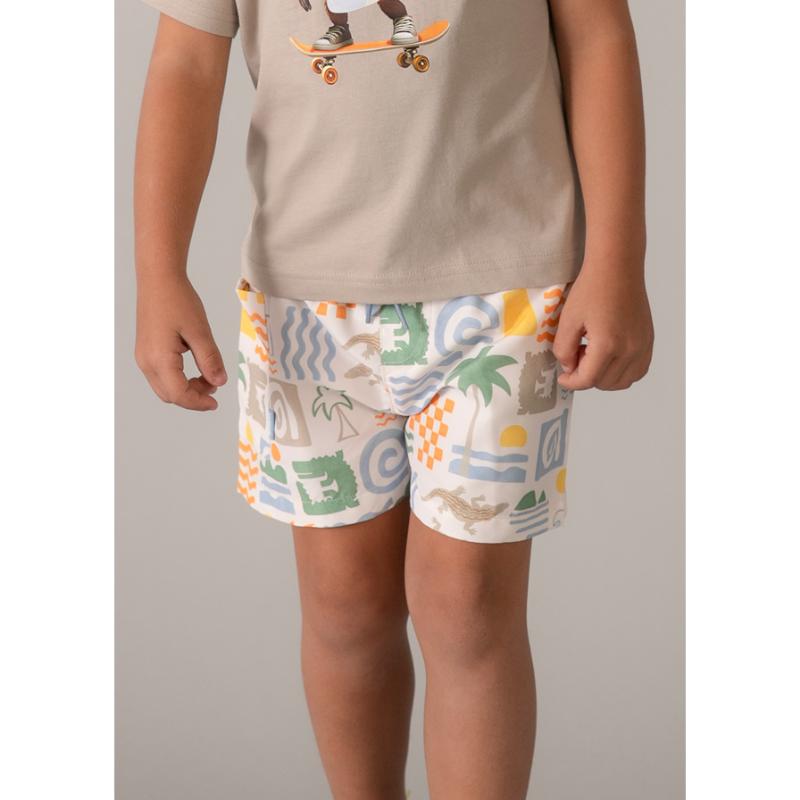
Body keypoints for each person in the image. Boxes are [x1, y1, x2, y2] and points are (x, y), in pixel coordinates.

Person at [134, 1, 654, 797]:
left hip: (508, 292)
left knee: (467, 607)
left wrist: (618, 258)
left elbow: (597, 33)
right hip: (306, 304)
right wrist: (157, 273)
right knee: (345, 608)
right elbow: (185, 62)